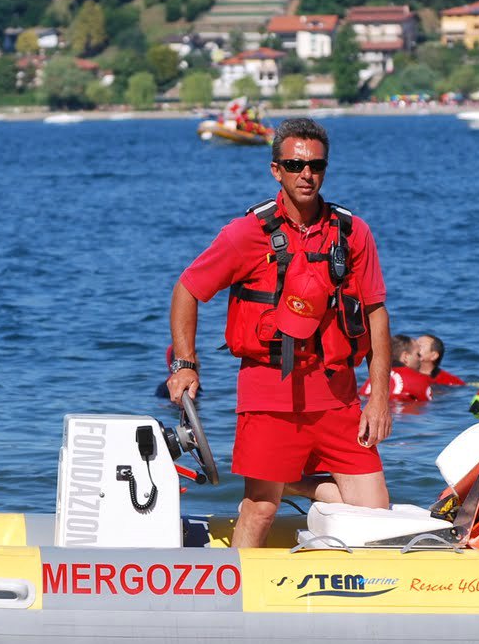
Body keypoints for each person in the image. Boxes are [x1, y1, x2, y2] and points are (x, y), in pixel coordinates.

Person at [168, 116, 393, 547]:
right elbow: (187, 289)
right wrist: (185, 364)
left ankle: (293, 483)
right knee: (260, 508)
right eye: (294, 165)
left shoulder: (352, 232)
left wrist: (378, 396)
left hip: (337, 394)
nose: (305, 174)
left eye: (315, 165)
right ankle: (235, 601)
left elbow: (377, 312)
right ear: (277, 169)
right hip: (269, 389)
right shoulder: (246, 233)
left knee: (373, 514)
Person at [362, 333, 430, 402]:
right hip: (402, 411)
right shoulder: (419, 379)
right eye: (418, 355)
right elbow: (426, 405)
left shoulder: (371, 380)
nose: (421, 359)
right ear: (405, 357)